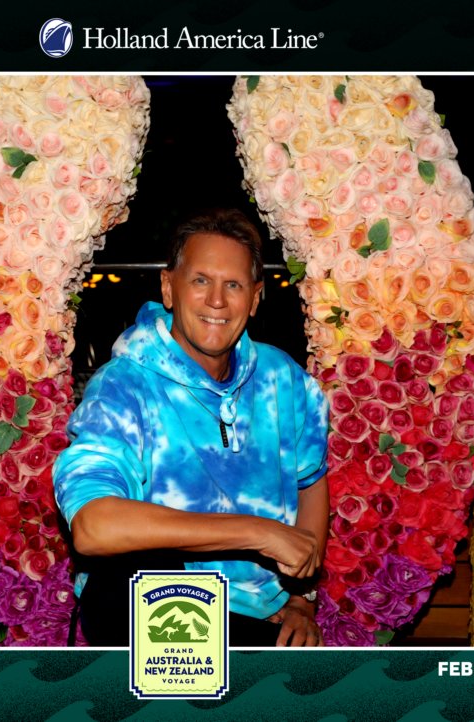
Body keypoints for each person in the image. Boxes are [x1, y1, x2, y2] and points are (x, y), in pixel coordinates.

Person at [52, 208, 330, 647]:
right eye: (201, 280)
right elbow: (93, 528)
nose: (216, 300)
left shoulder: (283, 379)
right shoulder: (124, 386)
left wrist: (301, 598)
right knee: (128, 575)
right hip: (158, 615)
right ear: (169, 287)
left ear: (255, 298)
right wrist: (258, 533)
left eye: (233, 285)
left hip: (257, 616)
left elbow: (310, 481)